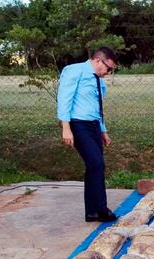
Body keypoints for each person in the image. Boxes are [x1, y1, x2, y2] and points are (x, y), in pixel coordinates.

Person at [57, 47, 118, 222]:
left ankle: (92, 212)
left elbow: (97, 107)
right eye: (108, 68)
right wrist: (66, 127)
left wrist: (103, 130)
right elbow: (64, 99)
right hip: (78, 124)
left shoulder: (99, 81)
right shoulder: (74, 71)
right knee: (96, 163)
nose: (108, 73)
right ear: (98, 60)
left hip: (93, 125)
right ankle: (101, 210)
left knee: (94, 166)